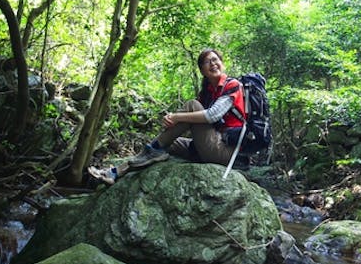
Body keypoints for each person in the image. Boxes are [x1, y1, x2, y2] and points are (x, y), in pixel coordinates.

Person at [88, 48, 246, 185]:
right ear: (202, 70)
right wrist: (173, 122)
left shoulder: (233, 85)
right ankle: (116, 172)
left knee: (192, 105)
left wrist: (176, 117)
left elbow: (212, 115)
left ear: (222, 63)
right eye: (207, 62)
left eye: (215, 60)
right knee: (165, 143)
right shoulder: (207, 92)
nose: (212, 64)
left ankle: (127, 165)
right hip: (209, 145)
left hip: (226, 152)